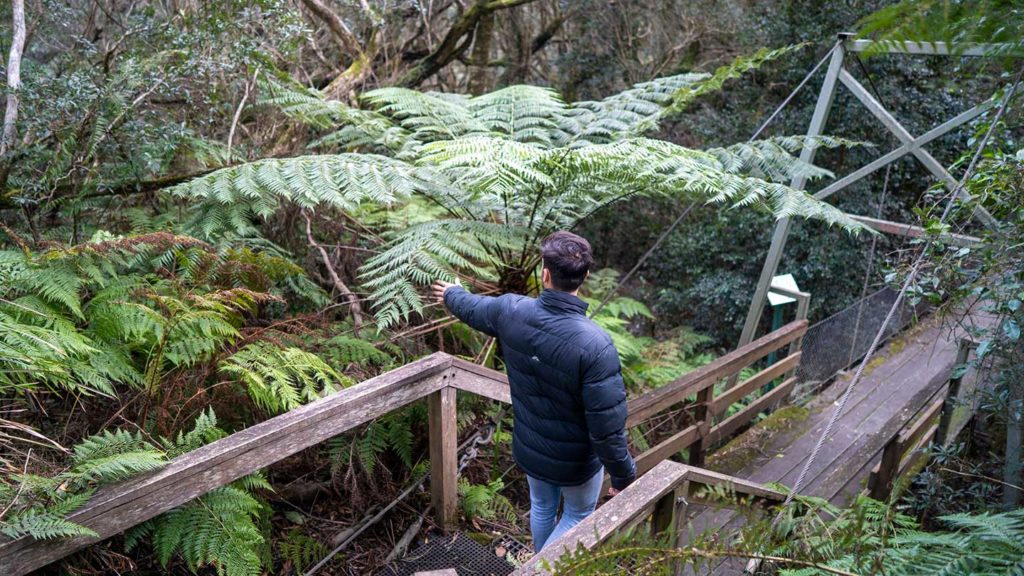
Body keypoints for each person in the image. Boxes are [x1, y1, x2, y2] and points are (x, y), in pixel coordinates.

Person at [431, 231, 636, 552]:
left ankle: (538, 562)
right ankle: (539, 569)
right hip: (575, 463)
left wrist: (451, 293)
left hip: (530, 446)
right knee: (578, 513)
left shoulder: (511, 311)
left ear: (544, 273)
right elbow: (607, 429)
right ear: (585, 277)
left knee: (541, 507)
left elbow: (471, 307)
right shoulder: (596, 346)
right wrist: (624, 478)